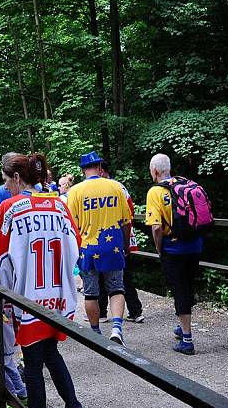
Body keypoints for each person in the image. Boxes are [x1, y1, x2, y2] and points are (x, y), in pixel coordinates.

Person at [0, 153, 88, 408]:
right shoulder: (60, 205)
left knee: (32, 360)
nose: (6, 187)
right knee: (50, 354)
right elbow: (76, 248)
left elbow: (1, 259)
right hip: (58, 296)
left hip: (28, 296)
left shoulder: (9, 209)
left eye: (7, 180)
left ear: (18, 178)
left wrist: (4, 299)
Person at [67, 151, 132, 345]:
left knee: (91, 292)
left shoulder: (75, 192)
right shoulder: (116, 187)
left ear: (83, 170)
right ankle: (117, 328)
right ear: (100, 168)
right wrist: (126, 245)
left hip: (87, 248)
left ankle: (95, 333)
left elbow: (71, 225)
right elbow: (126, 221)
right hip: (113, 246)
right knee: (116, 289)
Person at [145, 153, 203, 355]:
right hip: (195, 245)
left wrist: (159, 249)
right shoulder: (184, 183)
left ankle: (187, 340)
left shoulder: (155, 192)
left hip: (174, 248)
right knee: (187, 285)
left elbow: (156, 227)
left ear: (154, 171)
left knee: (179, 290)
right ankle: (183, 324)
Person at [97, 160, 144, 324]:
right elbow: (129, 213)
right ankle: (135, 311)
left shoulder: (97, 189)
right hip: (122, 236)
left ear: (101, 171)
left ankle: (101, 313)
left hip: (104, 237)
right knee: (125, 275)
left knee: (102, 275)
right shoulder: (120, 187)